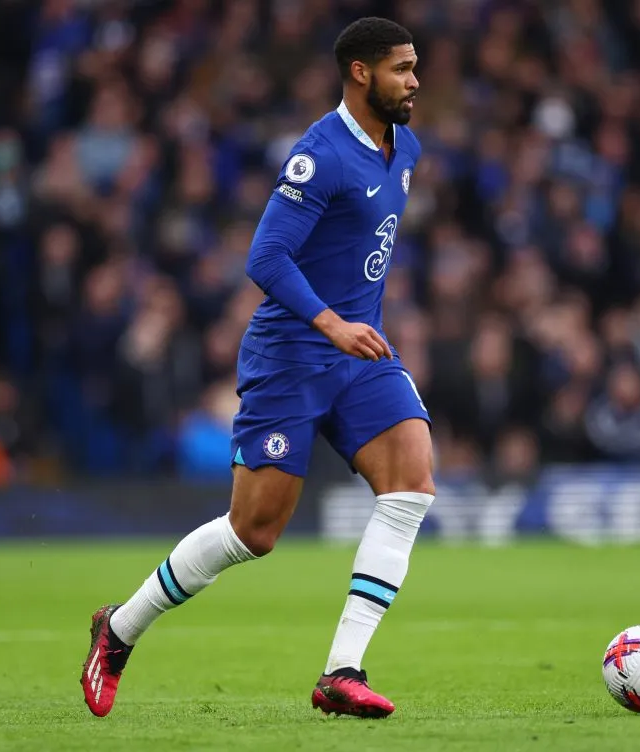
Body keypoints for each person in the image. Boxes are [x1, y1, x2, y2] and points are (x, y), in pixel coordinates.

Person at [81, 17, 432, 720]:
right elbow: (265, 258)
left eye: (415, 66)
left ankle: (342, 670)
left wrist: (354, 327)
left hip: (361, 356)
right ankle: (118, 630)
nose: (415, 80)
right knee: (255, 531)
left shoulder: (406, 147)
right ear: (359, 72)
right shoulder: (319, 154)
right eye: (400, 68)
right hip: (292, 355)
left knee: (411, 483)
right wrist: (331, 322)